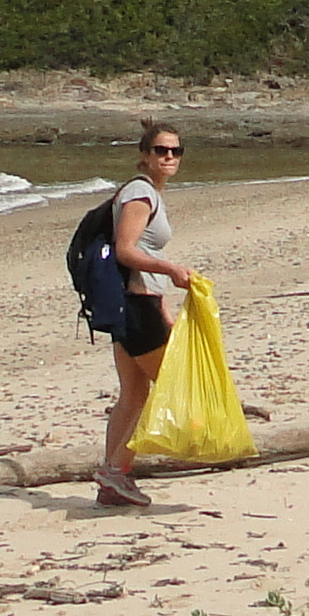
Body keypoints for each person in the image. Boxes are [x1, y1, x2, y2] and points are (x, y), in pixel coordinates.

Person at [97, 120, 194, 507]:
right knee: (166, 390)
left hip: (137, 305)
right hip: (135, 308)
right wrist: (171, 269)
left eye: (175, 151)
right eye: (160, 151)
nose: (169, 157)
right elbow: (126, 250)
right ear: (144, 156)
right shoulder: (140, 193)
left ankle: (111, 482)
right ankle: (116, 472)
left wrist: (165, 308)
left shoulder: (149, 193)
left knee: (135, 395)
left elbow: (141, 261)